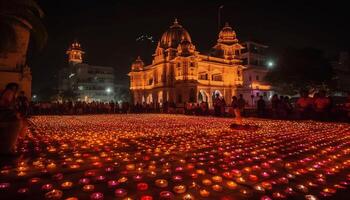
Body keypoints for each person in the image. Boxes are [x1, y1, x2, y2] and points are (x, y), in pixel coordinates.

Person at [0, 83, 22, 155]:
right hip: (4, 116)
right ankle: (9, 148)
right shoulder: (9, 93)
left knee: (20, 122)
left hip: (7, 115)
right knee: (17, 123)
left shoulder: (10, 94)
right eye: (13, 88)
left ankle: (10, 146)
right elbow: (5, 104)